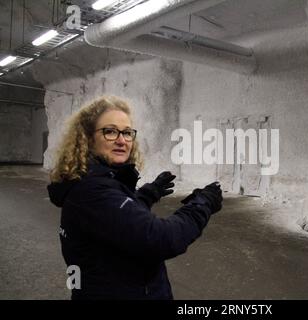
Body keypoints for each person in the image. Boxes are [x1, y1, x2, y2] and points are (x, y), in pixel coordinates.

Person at [47, 95, 223, 300]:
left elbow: (117, 222)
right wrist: (203, 203)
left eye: (127, 133)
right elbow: (161, 238)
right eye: (110, 131)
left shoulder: (94, 182)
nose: (122, 140)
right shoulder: (92, 192)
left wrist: (148, 194)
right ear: (87, 138)